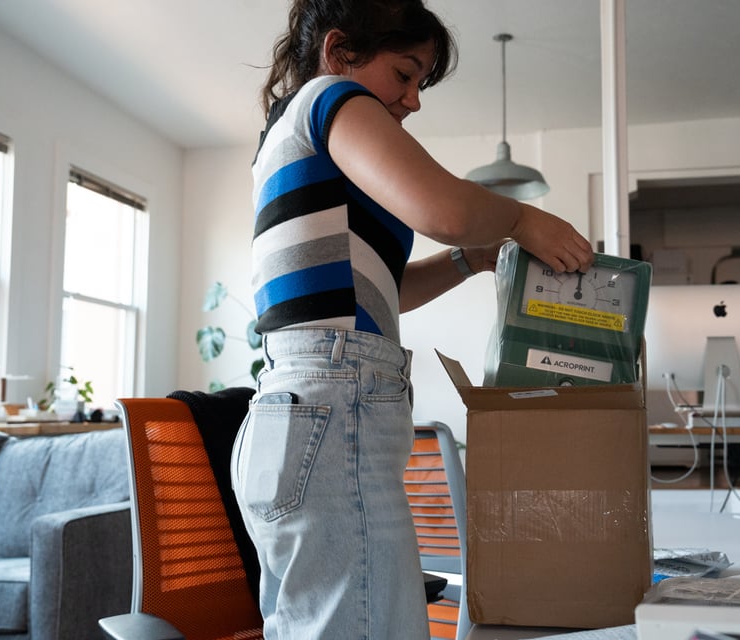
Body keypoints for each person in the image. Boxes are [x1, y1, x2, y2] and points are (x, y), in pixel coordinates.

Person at [230, 1, 594, 637]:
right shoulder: (328, 96)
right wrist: (523, 218)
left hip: (300, 406)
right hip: (334, 403)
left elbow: (375, 292)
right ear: (339, 52)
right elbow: (444, 208)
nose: (413, 100)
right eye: (404, 74)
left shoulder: (289, 137)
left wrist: (468, 260)